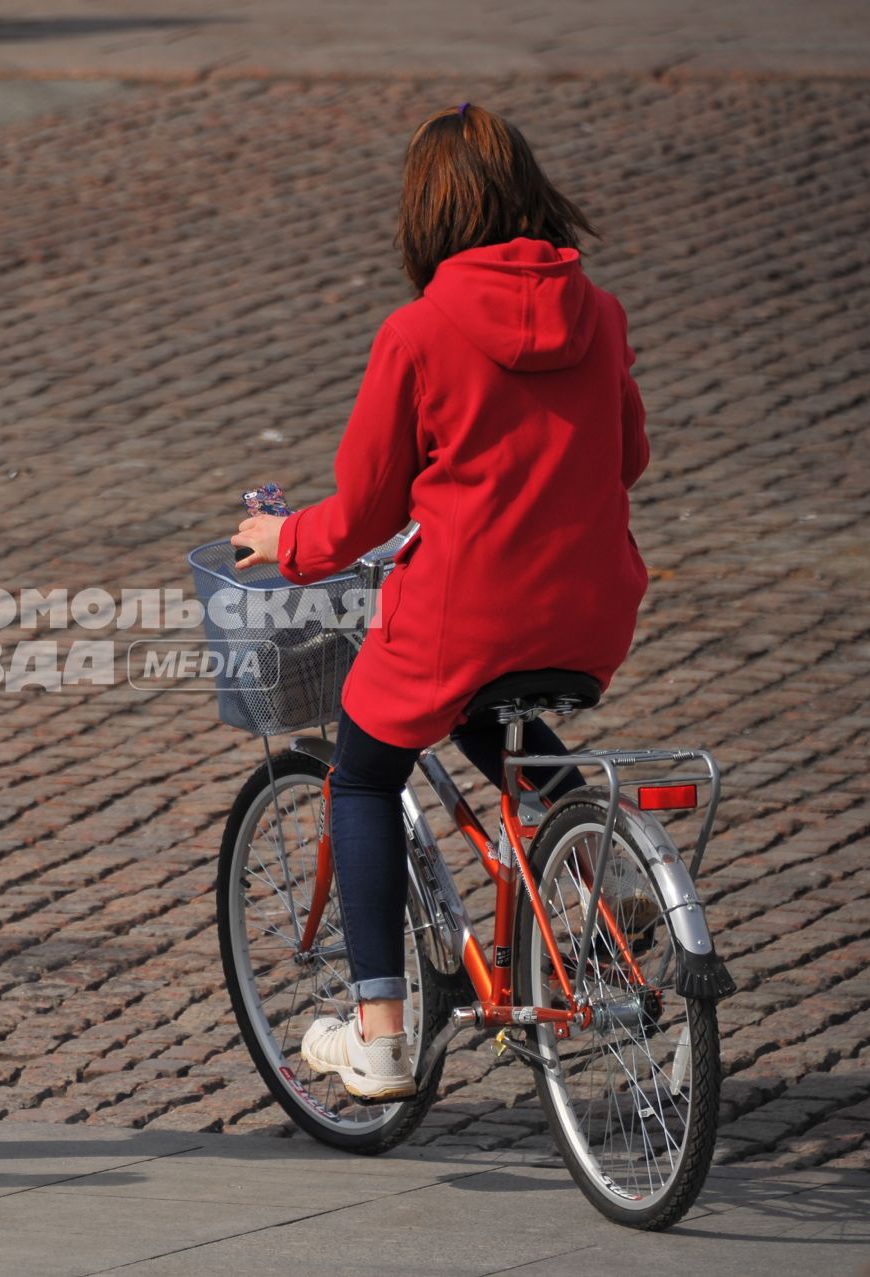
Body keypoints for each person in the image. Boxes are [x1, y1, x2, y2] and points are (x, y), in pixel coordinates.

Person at [231, 103, 650, 1102]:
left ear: (426, 217)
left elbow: (365, 508)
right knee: (484, 711)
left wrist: (281, 540)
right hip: (590, 612)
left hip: (462, 614)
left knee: (366, 772)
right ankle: (605, 867)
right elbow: (628, 456)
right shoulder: (600, 312)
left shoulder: (419, 332)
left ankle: (377, 1032)